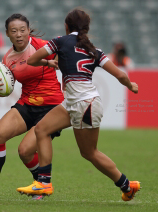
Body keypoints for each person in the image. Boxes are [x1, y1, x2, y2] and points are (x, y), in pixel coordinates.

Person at [17, 9, 140, 201]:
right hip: (78, 102)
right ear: (86, 28)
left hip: (84, 105)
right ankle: (44, 183)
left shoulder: (60, 41)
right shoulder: (94, 49)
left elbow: (32, 60)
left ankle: (126, 185)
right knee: (41, 130)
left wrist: (49, 63)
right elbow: (121, 75)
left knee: (89, 152)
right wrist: (131, 85)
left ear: (66, 26)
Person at [0, 14, 64, 200]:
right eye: (14, 31)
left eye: (22, 30)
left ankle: (41, 185)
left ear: (28, 30)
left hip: (51, 107)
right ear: (7, 34)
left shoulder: (43, 46)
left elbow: (65, 58)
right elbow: (2, 90)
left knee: (25, 151)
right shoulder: (8, 58)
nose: (19, 34)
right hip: (27, 103)